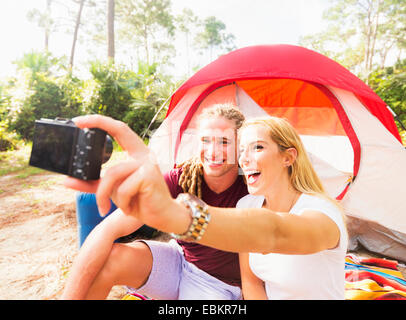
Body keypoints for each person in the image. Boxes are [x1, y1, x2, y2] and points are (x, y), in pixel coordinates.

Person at [64, 114, 348, 300]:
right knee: (113, 259)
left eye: (227, 143)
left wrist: (181, 218)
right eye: (243, 150)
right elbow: (253, 283)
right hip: (184, 266)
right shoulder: (243, 198)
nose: (244, 158)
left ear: (288, 157)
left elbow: (273, 232)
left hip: (219, 288)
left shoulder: (322, 213)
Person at [61, 104, 248, 300]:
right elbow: (107, 230)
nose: (213, 151)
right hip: (180, 262)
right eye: (206, 140)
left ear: (240, 146)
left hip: (219, 286)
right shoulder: (182, 178)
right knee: (108, 261)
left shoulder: (251, 187)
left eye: (224, 142)